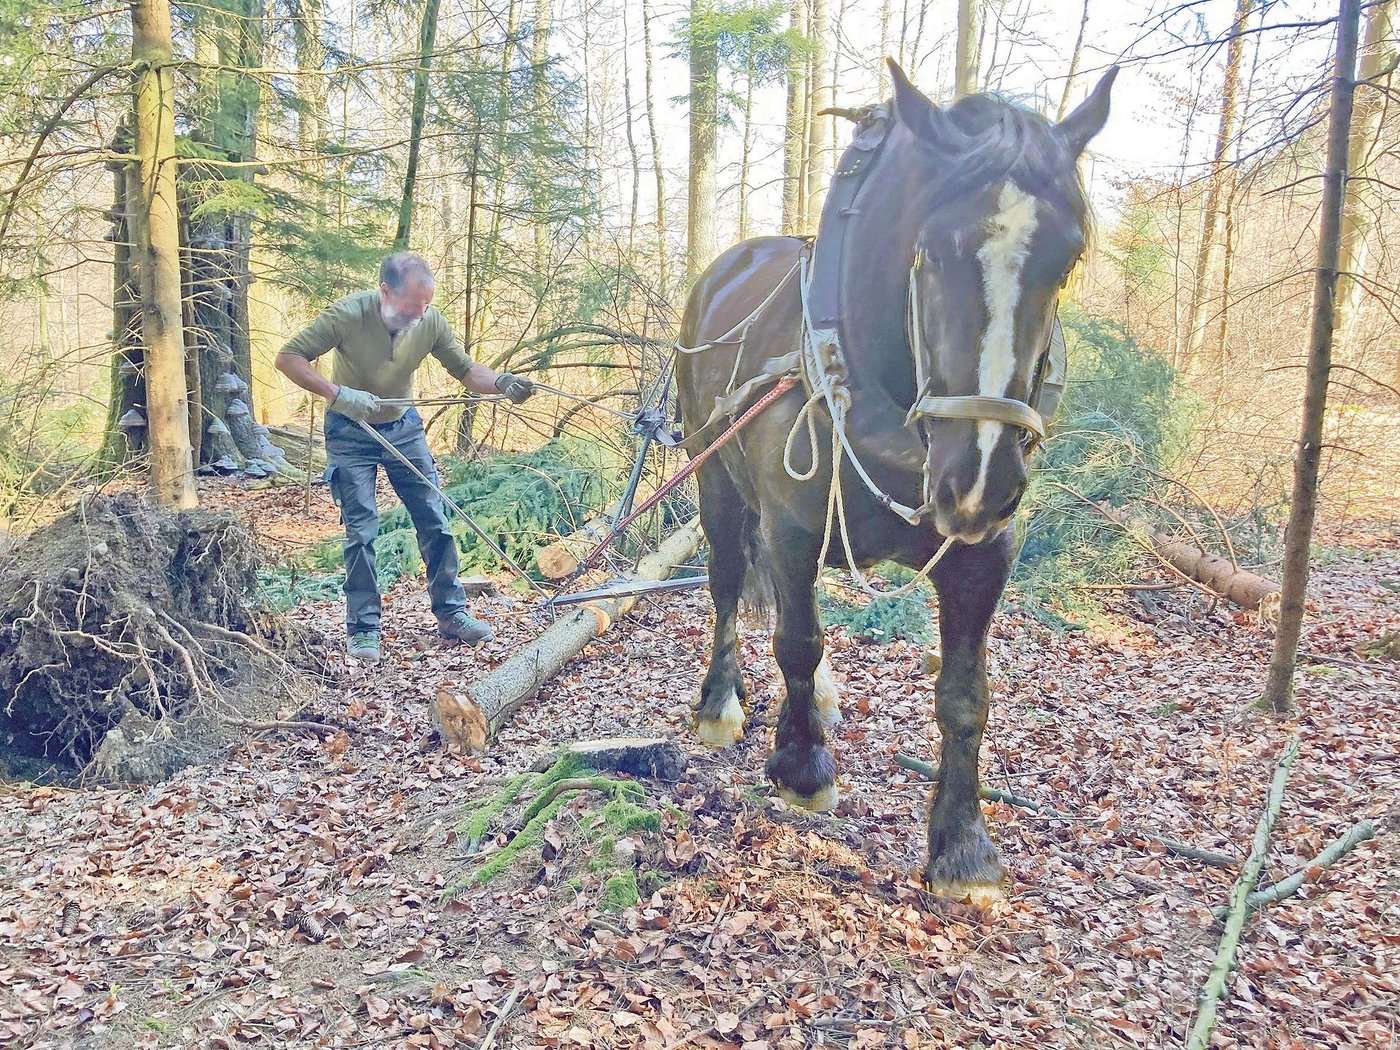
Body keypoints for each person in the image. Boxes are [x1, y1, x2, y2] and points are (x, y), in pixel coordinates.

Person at [275, 251, 535, 663]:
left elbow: (467, 371)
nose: (421, 312)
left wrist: (502, 382)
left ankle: (452, 613)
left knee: (434, 518)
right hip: (350, 430)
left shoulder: (430, 321)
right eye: (413, 304)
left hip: (404, 426)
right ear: (385, 291)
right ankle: (363, 629)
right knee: (361, 531)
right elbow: (288, 358)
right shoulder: (348, 314)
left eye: (426, 303)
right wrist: (337, 394)